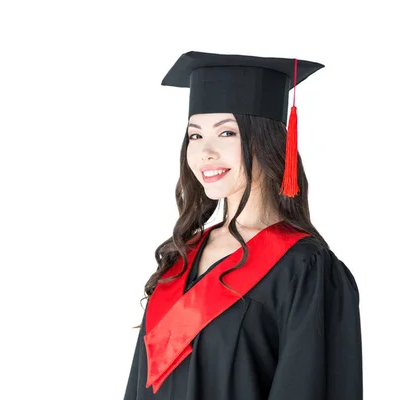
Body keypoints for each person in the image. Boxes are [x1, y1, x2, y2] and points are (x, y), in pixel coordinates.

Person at [123, 51, 363, 400]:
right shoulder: (183, 255)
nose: (205, 152)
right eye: (194, 136)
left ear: (269, 142)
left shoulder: (304, 269)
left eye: (227, 133)